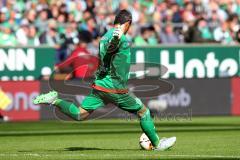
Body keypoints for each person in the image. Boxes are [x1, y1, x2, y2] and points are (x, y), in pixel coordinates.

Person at [33, 10, 176, 150]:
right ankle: (157, 144)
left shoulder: (104, 37)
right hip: (114, 87)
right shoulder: (118, 36)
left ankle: (55, 100)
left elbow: (105, 55)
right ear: (128, 23)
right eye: (130, 25)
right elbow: (111, 49)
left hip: (100, 84)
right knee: (143, 112)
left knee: (79, 114)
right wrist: (116, 39)